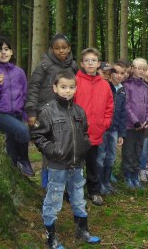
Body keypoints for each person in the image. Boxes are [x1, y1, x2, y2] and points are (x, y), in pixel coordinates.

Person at [31, 71, 100, 248]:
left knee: (78, 196)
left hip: (77, 164)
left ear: (75, 89)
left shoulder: (79, 111)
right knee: (54, 199)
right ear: (55, 88)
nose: (67, 91)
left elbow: (84, 132)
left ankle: (82, 229)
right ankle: (51, 236)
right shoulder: (47, 111)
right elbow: (38, 135)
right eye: (63, 87)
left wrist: (84, 146)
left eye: (71, 87)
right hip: (57, 165)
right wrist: (53, 150)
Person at [26, 33, 78, 186]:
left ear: (69, 48)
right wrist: (32, 111)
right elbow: (34, 87)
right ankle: (47, 185)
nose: (61, 51)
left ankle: (66, 186)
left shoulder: (73, 66)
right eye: (57, 48)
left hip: (67, 112)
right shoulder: (44, 64)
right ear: (51, 49)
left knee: (67, 147)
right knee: (49, 150)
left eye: (64, 48)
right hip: (46, 113)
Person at [74, 48, 114, 206]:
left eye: (93, 60)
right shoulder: (75, 81)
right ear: (82, 63)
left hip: (96, 131)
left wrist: (105, 123)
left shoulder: (104, 85)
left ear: (98, 63)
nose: (90, 63)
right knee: (75, 164)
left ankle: (94, 191)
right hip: (77, 132)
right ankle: (73, 192)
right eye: (87, 60)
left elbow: (109, 106)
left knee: (93, 163)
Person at [0, 36, 35, 177]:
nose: (3, 53)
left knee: (13, 141)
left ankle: (14, 167)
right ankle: (24, 160)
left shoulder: (19, 72)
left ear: (11, 52)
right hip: (0, 114)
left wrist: (26, 115)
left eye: (6, 49)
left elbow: (24, 94)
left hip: (17, 113)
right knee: (23, 132)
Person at [96, 61, 127, 195]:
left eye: (122, 73)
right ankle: (98, 183)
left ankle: (107, 181)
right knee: (100, 156)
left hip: (114, 129)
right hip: (102, 128)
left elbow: (122, 113)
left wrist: (121, 133)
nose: (119, 76)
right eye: (116, 73)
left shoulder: (122, 90)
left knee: (111, 156)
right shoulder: (104, 86)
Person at [123, 57, 148, 189]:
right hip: (130, 126)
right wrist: (135, 121)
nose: (141, 71)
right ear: (133, 69)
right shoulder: (127, 85)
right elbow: (126, 106)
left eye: (144, 69)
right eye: (139, 68)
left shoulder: (145, 87)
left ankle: (135, 176)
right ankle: (128, 176)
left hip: (143, 126)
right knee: (129, 151)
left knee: (138, 150)